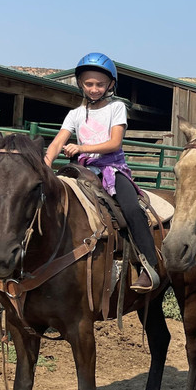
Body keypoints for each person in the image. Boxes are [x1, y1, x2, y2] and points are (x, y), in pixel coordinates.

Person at [44, 52, 160, 293]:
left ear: (110, 85)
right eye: (89, 83)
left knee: (131, 209)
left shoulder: (117, 108)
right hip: (81, 170)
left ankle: (150, 267)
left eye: (99, 84)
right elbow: (57, 143)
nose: (94, 89)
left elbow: (114, 143)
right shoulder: (75, 114)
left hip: (112, 170)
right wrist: (44, 165)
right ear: (81, 84)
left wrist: (81, 147)